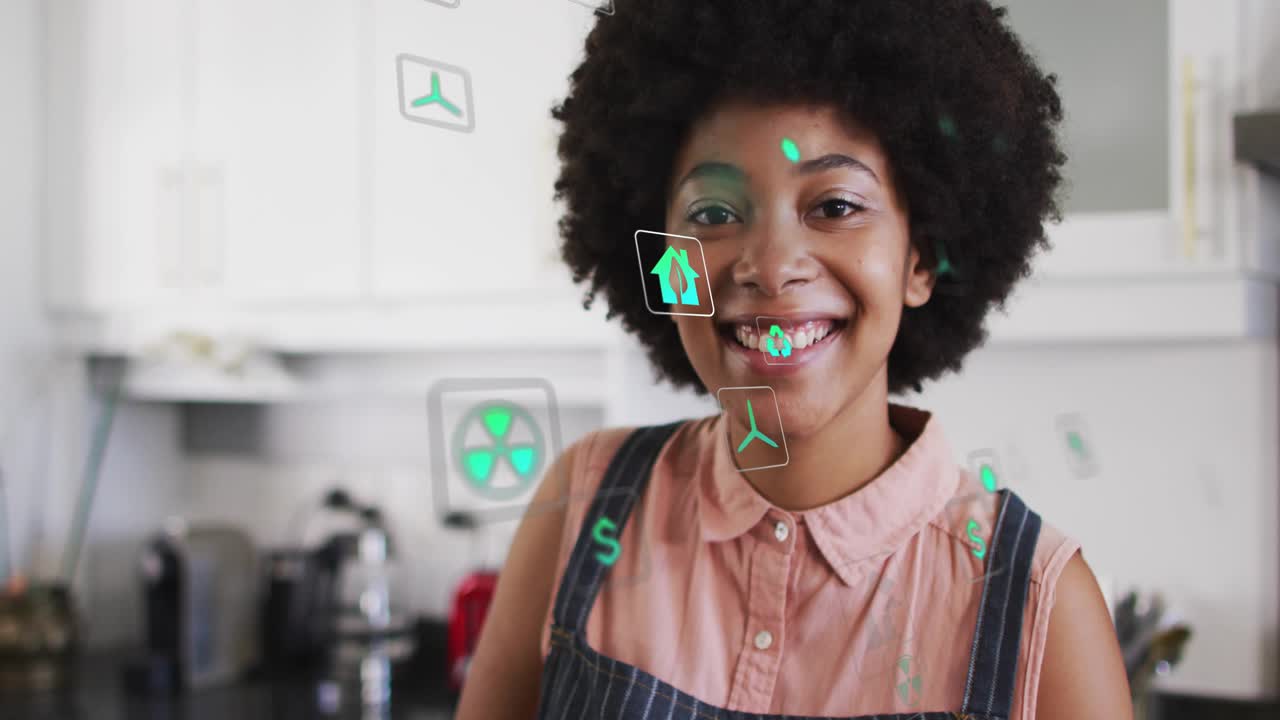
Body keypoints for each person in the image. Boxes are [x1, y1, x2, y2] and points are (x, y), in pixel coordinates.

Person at [457, 1, 1131, 718]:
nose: (772, 267)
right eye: (713, 213)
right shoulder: (585, 503)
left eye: (836, 206)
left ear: (921, 259)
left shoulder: (1041, 609)